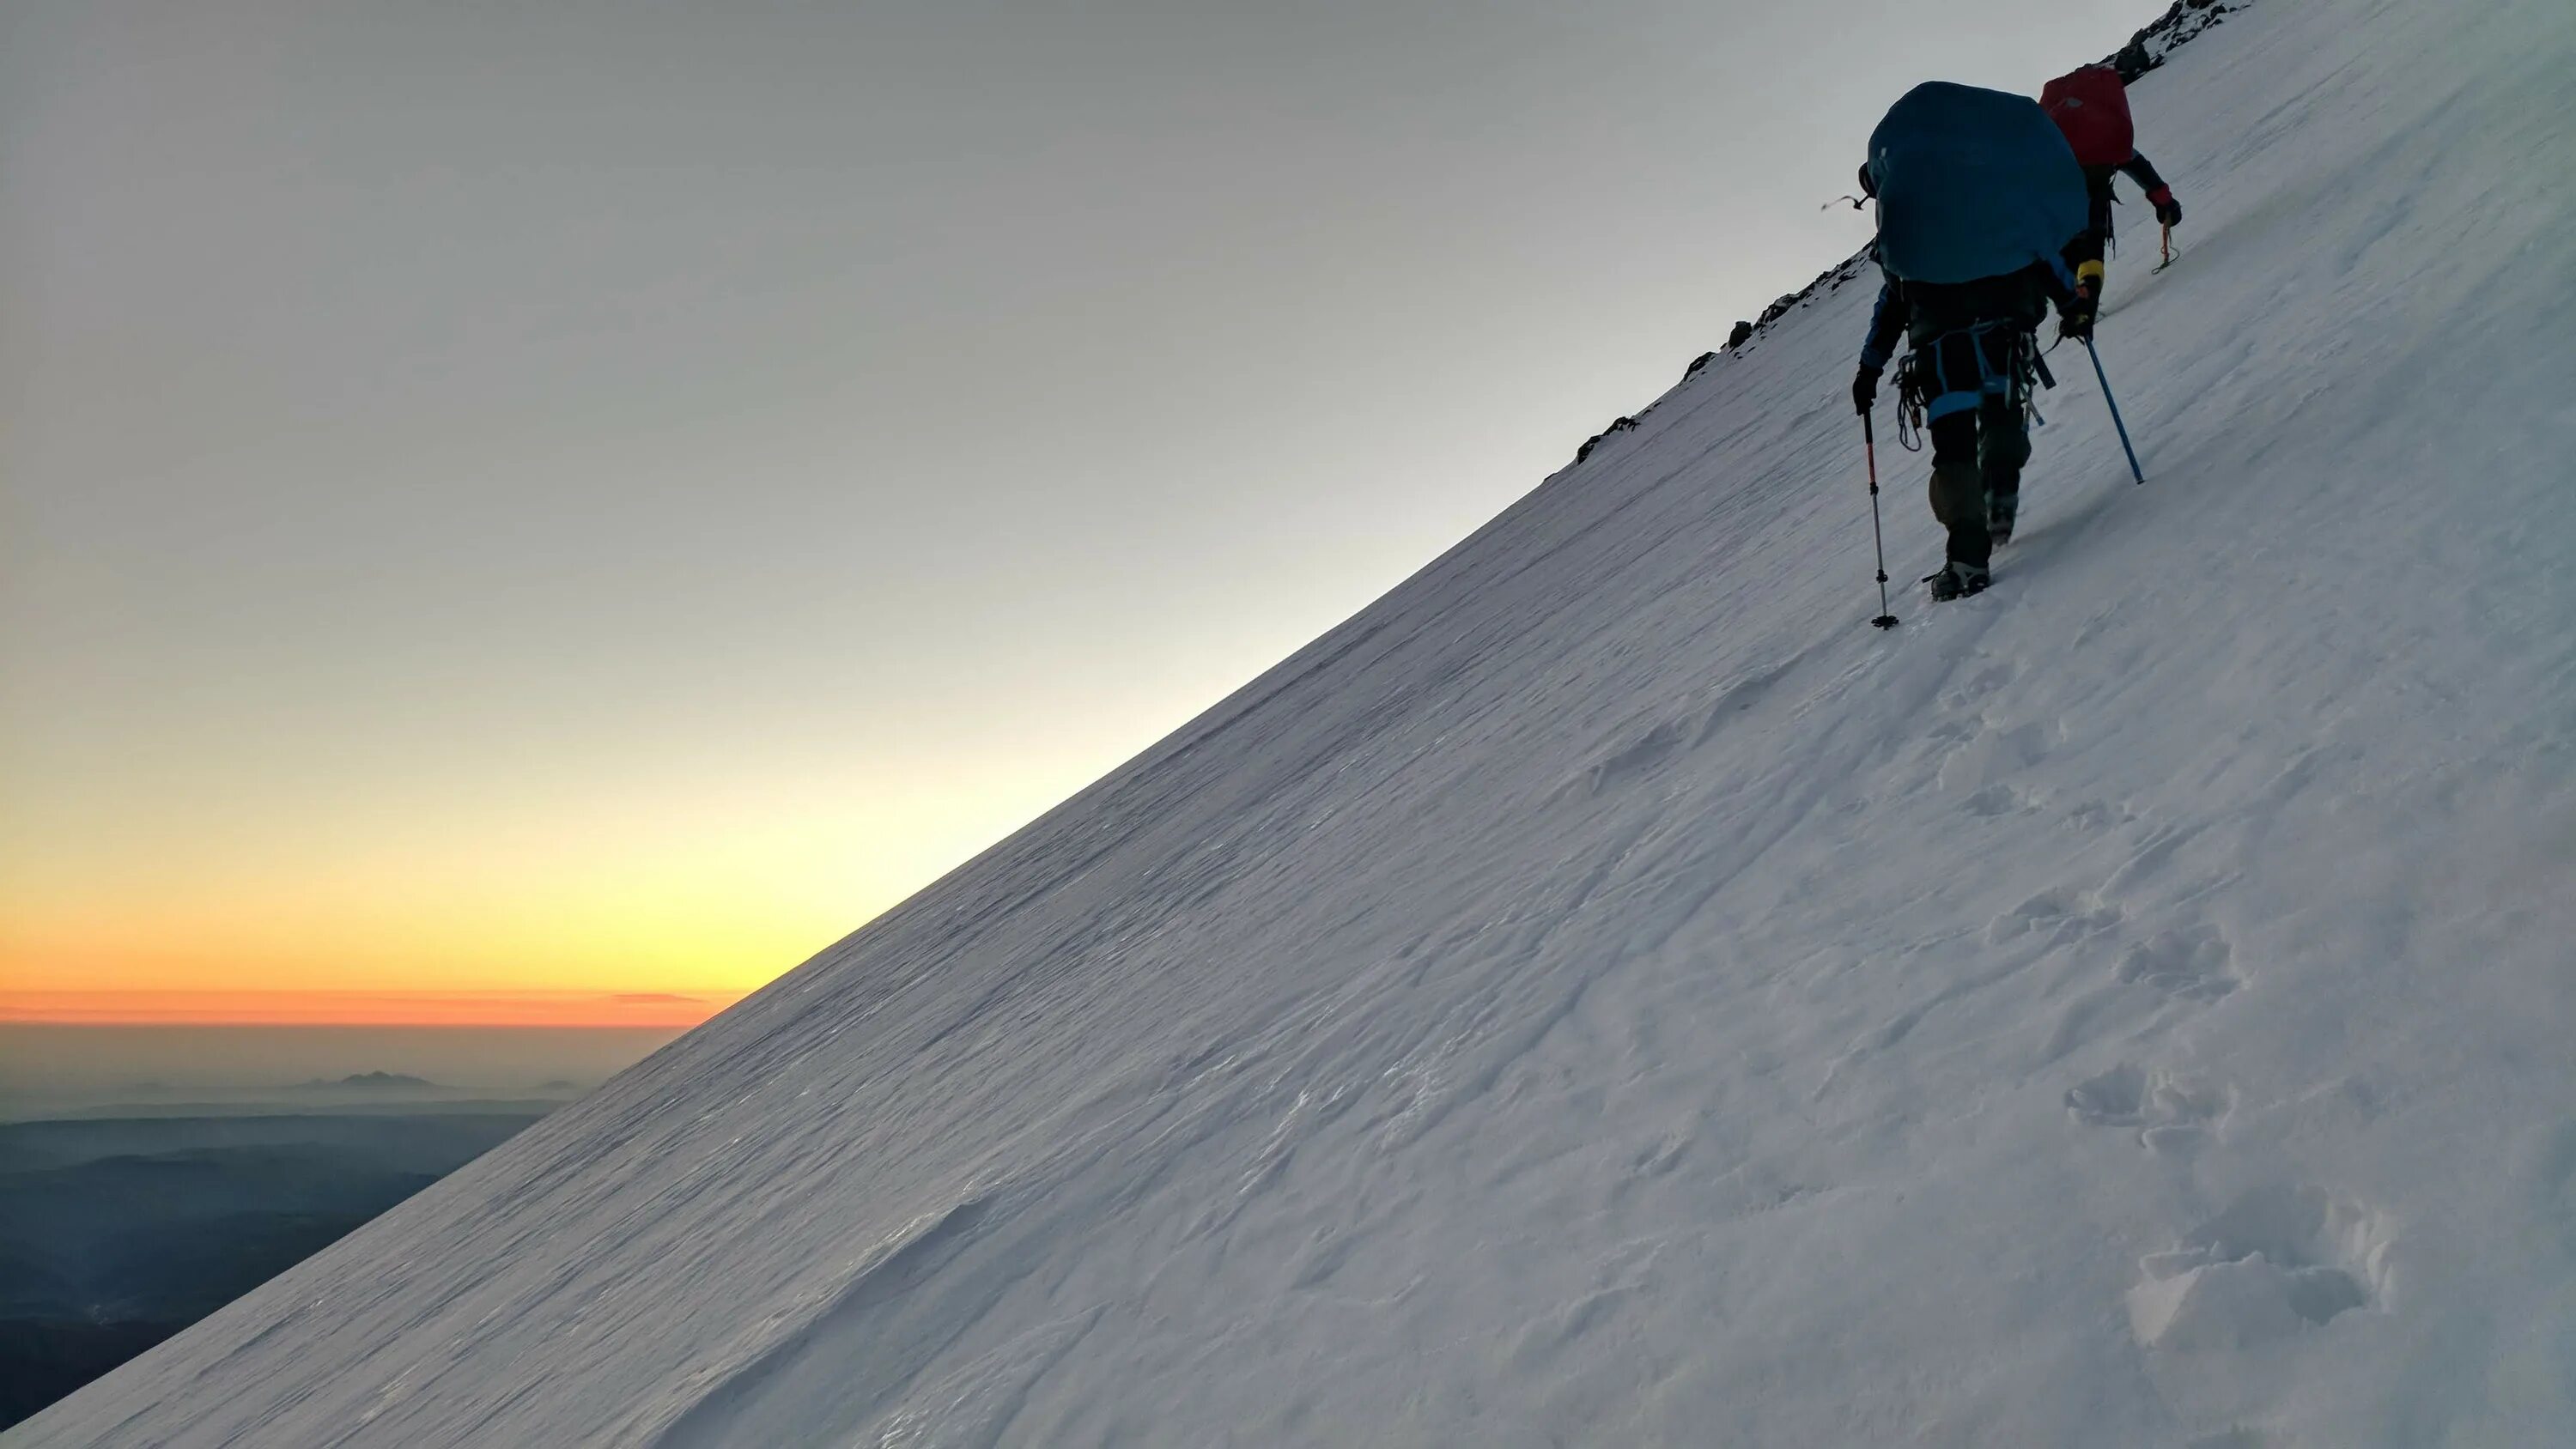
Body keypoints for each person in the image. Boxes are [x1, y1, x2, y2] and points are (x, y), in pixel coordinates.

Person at [1848, 82, 2093, 601]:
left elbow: (1892, 298)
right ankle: (2001, 491)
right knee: (2002, 413)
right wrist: (2073, 308)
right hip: (2004, 331)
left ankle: (1966, 558)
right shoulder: (1997, 204)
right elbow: (2040, 255)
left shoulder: (1912, 226)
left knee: (1953, 449)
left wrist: (1870, 368)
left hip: (1940, 353)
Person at [2040, 65, 2184, 309]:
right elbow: (2137, 165)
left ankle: (2076, 302)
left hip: (2055, 193)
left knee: (2069, 247)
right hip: (2095, 187)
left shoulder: (2057, 130)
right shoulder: (2105, 133)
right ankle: (2087, 302)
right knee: (2092, 243)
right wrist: (2165, 203)